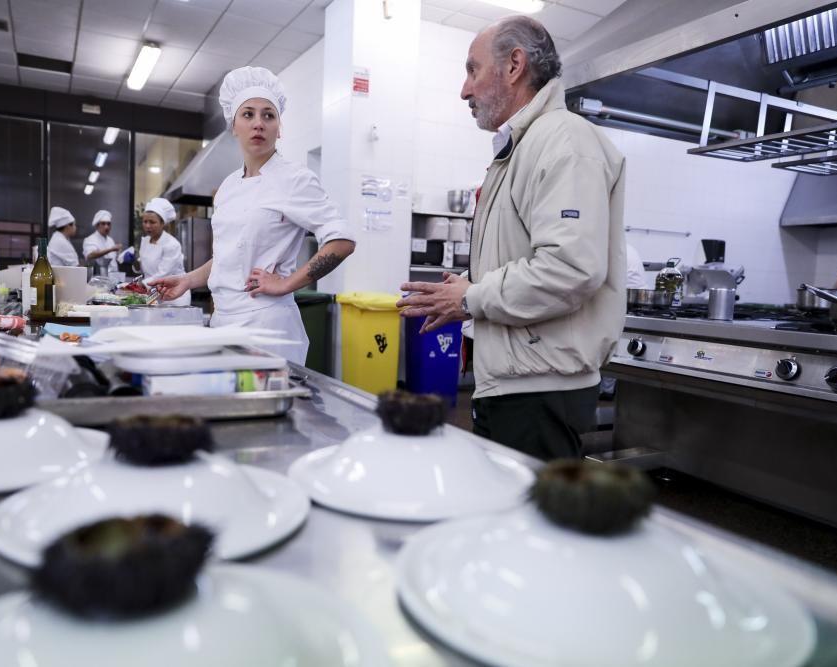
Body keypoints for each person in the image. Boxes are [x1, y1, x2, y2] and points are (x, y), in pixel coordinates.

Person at [396, 16, 626, 461]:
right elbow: (524, 255)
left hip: (539, 390)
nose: (465, 90)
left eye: (472, 70)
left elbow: (570, 267)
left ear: (515, 65)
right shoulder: (521, 148)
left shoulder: (565, 140)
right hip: (513, 380)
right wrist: (463, 287)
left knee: (536, 525)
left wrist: (471, 297)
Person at [151, 66, 355, 365]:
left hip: (266, 326)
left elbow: (342, 241)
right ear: (234, 125)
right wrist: (188, 280)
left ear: (279, 128)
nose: (258, 123)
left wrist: (286, 284)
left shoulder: (295, 179)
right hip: (222, 321)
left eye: (268, 115)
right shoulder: (229, 186)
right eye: (248, 114)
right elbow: (228, 254)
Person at [137, 198, 190, 306]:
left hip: (174, 295)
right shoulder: (145, 241)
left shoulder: (172, 244)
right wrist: (135, 260)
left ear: (162, 223)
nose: (147, 226)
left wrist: (139, 285)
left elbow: (163, 274)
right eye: (145, 221)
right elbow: (147, 268)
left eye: (152, 222)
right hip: (153, 292)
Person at [82, 210, 122, 277]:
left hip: (114, 277)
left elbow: (113, 259)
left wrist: (121, 256)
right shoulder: (90, 239)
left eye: (108, 224)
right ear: (97, 225)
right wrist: (111, 249)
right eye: (103, 224)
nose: (106, 227)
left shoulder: (110, 240)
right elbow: (90, 255)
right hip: (98, 278)